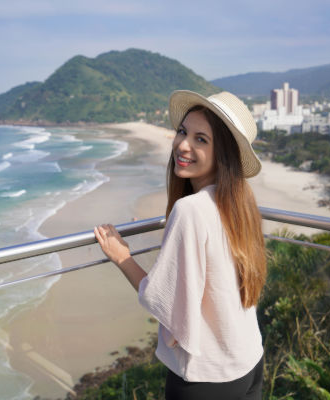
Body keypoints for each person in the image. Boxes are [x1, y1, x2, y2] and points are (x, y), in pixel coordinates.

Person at [94, 90, 267, 399]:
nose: (183, 145)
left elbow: (165, 301)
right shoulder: (241, 204)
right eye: (183, 132)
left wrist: (121, 256)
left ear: (223, 153)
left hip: (207, 377)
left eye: (201, 139)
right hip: (249, 361)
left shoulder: (191, 211)